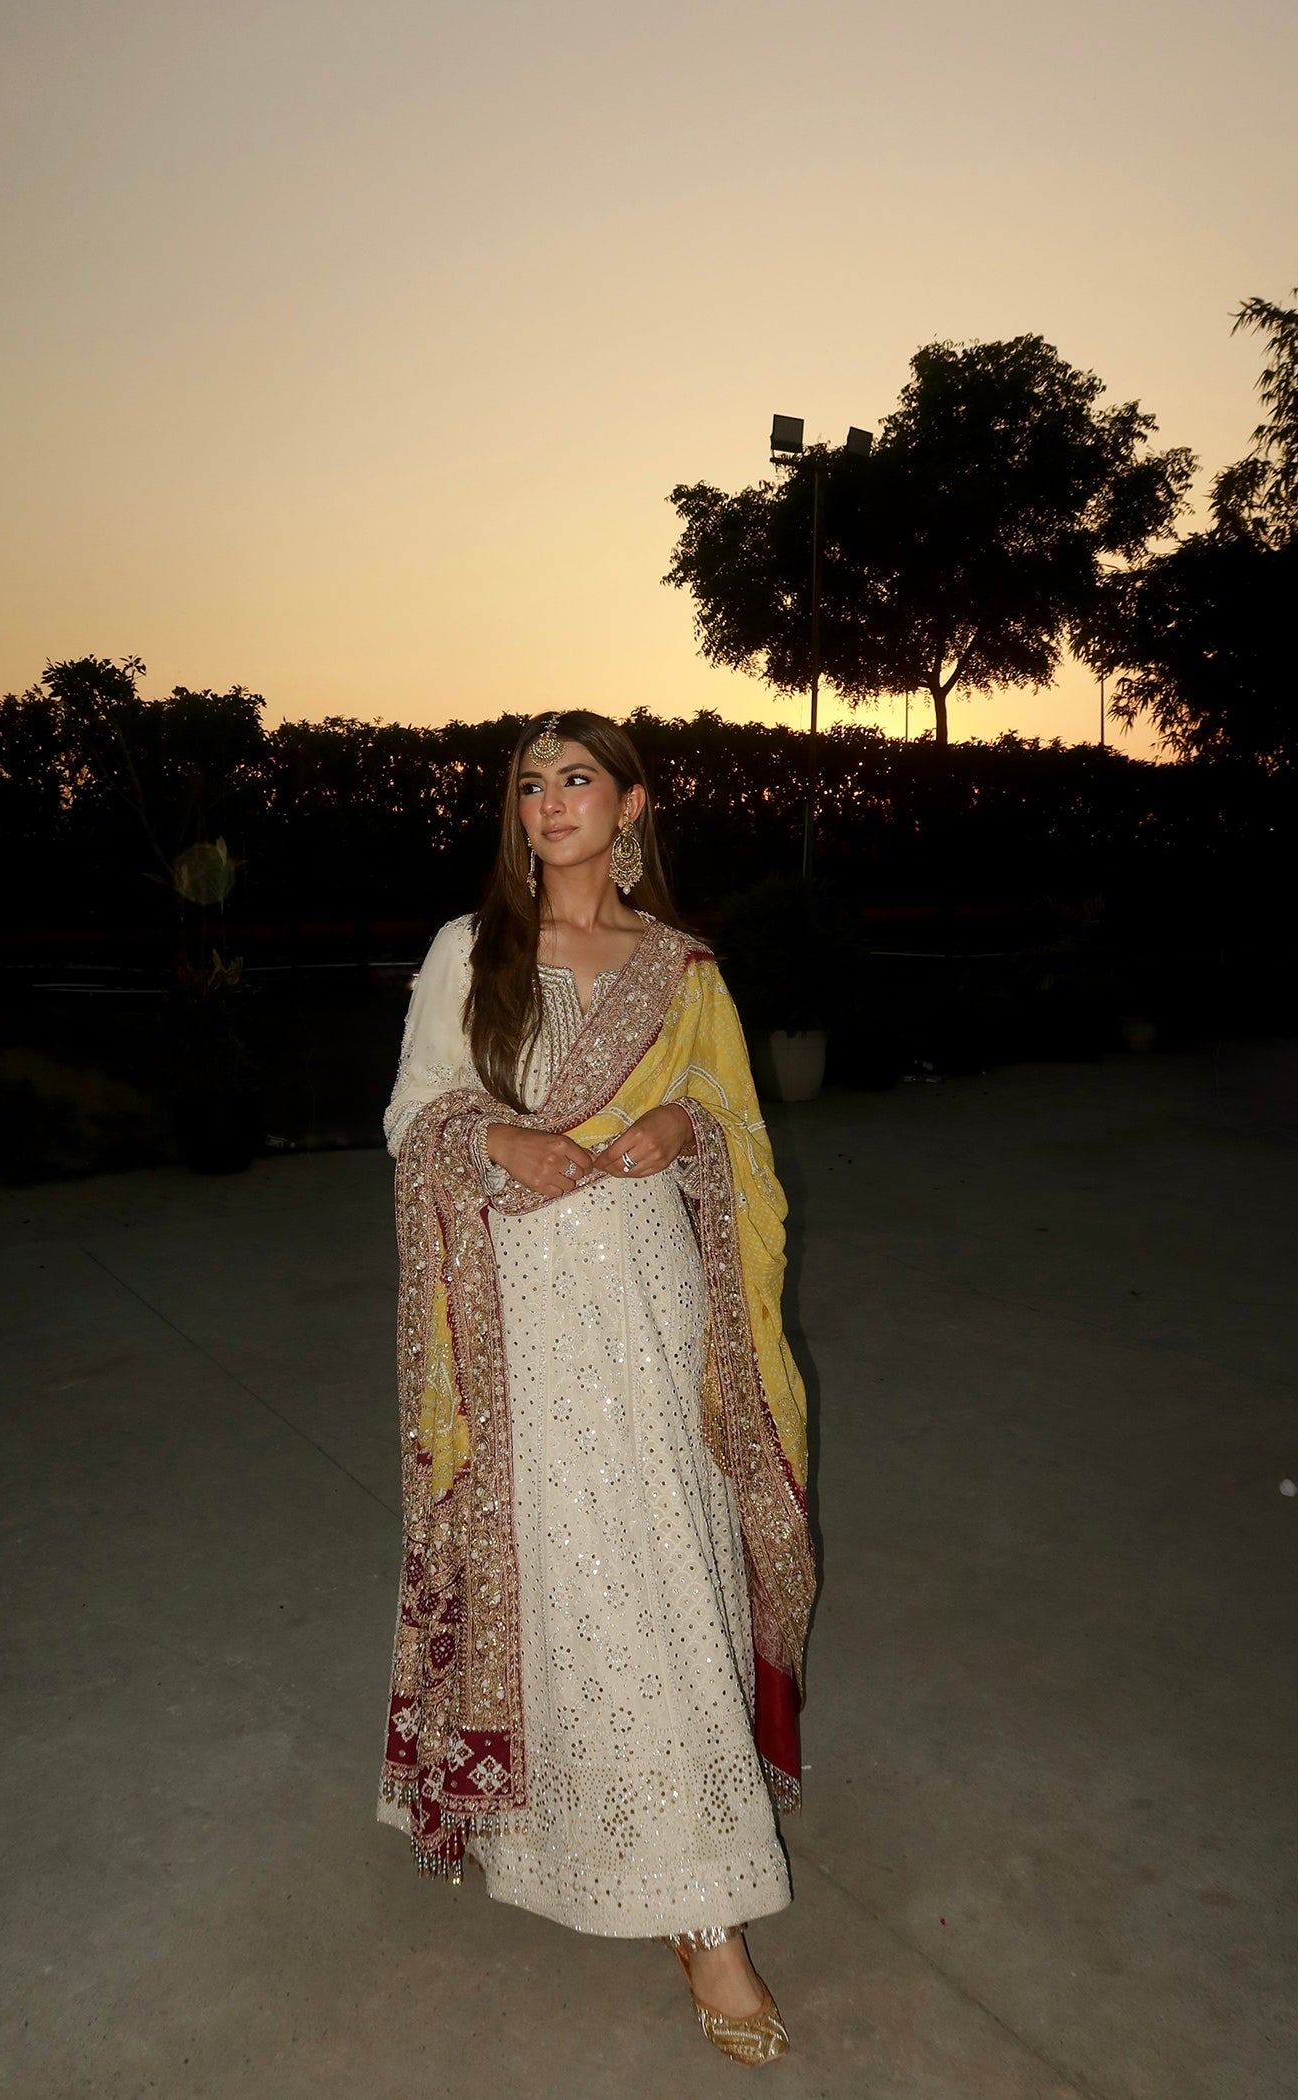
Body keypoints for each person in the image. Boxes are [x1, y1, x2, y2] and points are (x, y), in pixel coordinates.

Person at [377, 709, 816, 2066]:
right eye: (530, 784)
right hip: (515, 1319)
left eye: (577, 779)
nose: (550, 802)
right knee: (561, 1578)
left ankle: (705, 1908)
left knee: (664, 1573)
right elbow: (410, 1114)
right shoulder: (469, 953)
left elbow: (738, 1129)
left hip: (647, 1306)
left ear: (631, 807)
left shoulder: (681, 969)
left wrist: (683, 1124)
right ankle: (562, 1834)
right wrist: (498, 1140)